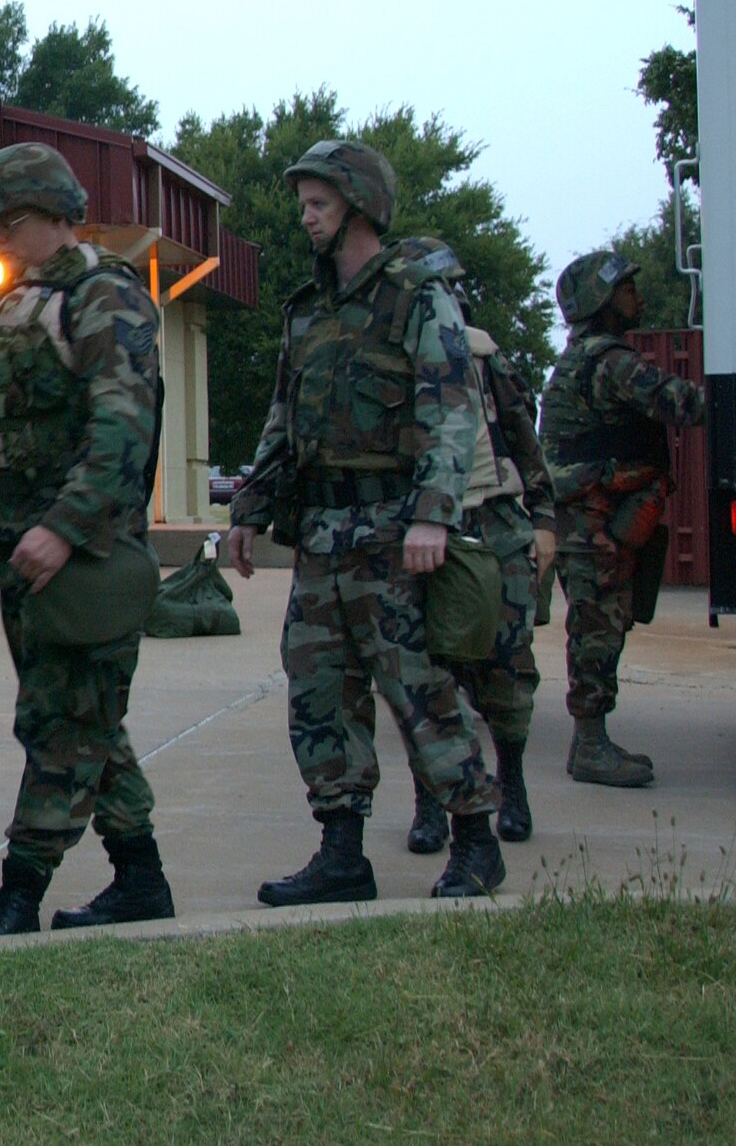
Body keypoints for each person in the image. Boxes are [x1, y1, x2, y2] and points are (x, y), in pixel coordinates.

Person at [227, 139, 503, 904]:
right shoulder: (306, 311)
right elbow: (282, 419)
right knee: (318, 690)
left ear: (359, 205)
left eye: (318, 204)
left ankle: (477, 839)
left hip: (393, 534)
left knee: (419, 690)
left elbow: (451, 408)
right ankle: (342, 853)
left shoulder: (417, 296)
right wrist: (248, 507)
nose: (307, 219)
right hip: (321, 536)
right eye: (304, 205)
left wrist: (434, 516)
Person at [0, 142, 174, 937]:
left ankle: (19, 894)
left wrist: (63, 530)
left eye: (12, 220)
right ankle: (141, 880)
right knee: (85, 720)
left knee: (59, 725)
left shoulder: (107, 298)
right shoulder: (12, 306)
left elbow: (122, 433)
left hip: (84, 556)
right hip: (23, 554)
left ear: (59, 214)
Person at [396, 278, 555, 853]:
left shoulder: (484, 357)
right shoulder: (390, 355)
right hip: (418, 531)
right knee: (424, 676)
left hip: (491, 525)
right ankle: (431, 803)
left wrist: (544, 522)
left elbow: (524, 441)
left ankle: (511, 786)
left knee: (506, 672)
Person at [540, 252, 706, 786]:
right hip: (592, 521)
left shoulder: (582, 359)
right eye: (627, 289)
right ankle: (588, 746)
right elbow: (678, 402)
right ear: (601, 303)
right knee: (597, 628)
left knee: (602, 622)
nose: (637, 296)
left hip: (591, 516)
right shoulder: (609, 361)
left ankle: (594, 739)